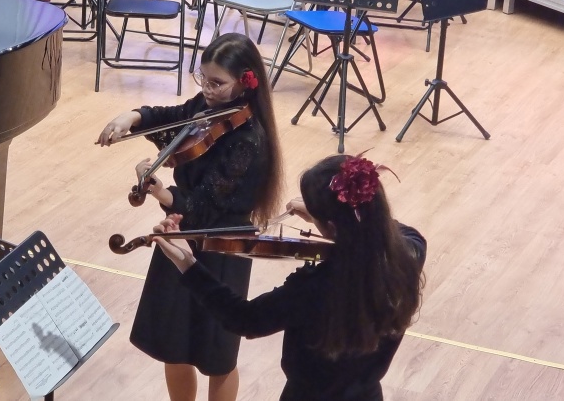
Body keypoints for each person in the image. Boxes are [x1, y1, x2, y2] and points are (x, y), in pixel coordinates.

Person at [97, 32, 284, 401]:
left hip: (221, 246)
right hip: (182, 235)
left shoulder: (248, 140)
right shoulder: (206, 106)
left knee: (218, 355)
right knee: (174, 345)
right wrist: (131, 116)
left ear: (245, 81)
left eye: (217, 83)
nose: (207, 90)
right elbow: (173, 118)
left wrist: (159, 191)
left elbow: (205, 205)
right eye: (203, 78)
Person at [152, 153, 427, 401]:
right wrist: (330, 219)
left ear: (330, 226)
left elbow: (245, 318)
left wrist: (187, 263)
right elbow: (387, 227)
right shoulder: (410, 255)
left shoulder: (313, 287)